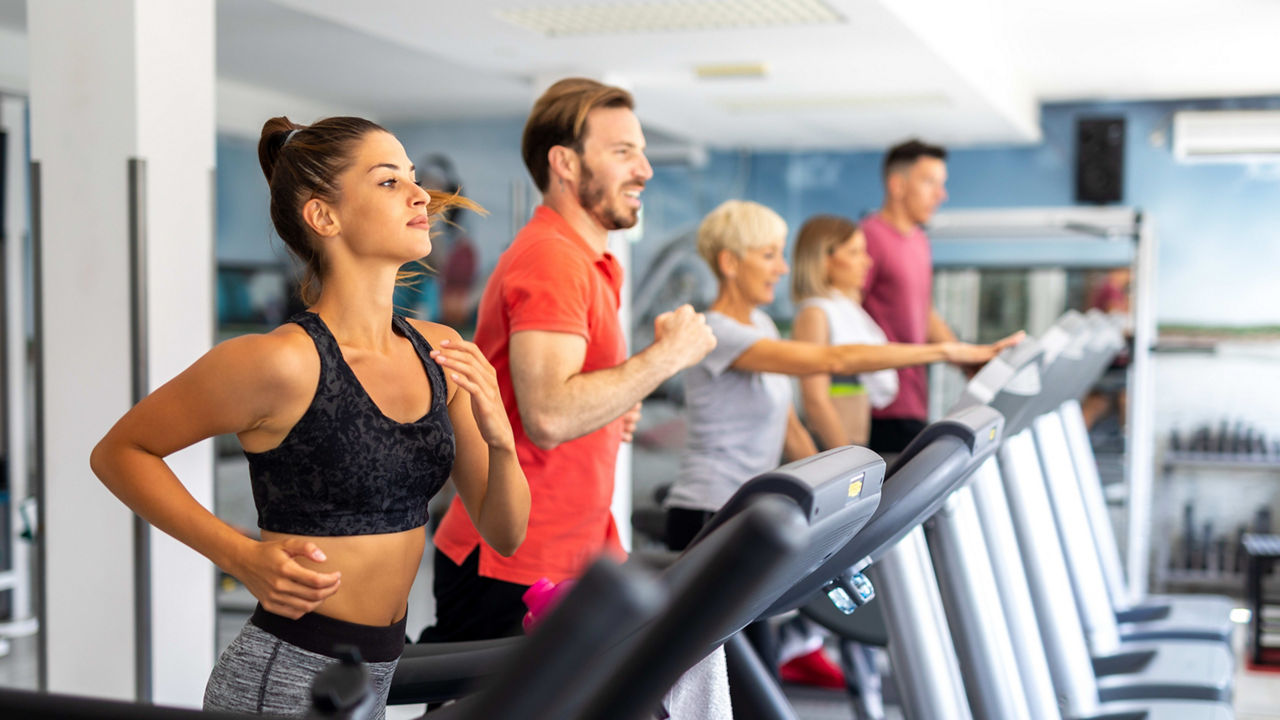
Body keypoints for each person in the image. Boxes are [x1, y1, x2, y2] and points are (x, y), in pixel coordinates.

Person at [90, 116, 530, 718]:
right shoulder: (279, 362)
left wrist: (501, 440)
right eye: (389, 181)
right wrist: (240, 556)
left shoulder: (441, 352)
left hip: (374, 677)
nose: (420, 194)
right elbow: (119, 452)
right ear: (324, 216)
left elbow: (505, 534)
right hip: (283, 678)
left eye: (412, 177)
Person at [661, 200, 1019, 688]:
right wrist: (949, 351)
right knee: (738, 677)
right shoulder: (715, 333)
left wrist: (837, 497)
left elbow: (789, 428)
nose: (782, 268)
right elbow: (834, 360)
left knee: (755, 672)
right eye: (768, 255)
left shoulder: (760, 326)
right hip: (709, 515)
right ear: (729, 262)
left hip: (749, 518)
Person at [427, 78, 717, 642]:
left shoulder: (589, 262)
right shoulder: (553, 259)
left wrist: (613, 405)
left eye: (641, 152)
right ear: (564, 163)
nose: (644, 169)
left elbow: (558, 397)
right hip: (518, 559)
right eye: (623, 151)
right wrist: (667, 357)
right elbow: (551, 415)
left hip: (567, 549)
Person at [861, 139, 970, 454]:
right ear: (897, 185)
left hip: (914, 401)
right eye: (929, 182)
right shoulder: (869, 237)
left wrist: (967, 361)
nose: (941, 195)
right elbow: (845, 317)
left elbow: (924, 313)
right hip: (878, 405)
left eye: (941, 184)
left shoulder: (920, 241)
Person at [791, 215, 899, 448]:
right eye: (854, 252)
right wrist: (848, 458)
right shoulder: (815, 313)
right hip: (832, 450)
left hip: (852, 447)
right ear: (825, 260)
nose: (867, 262)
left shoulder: (849, 312)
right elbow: (815, 400)